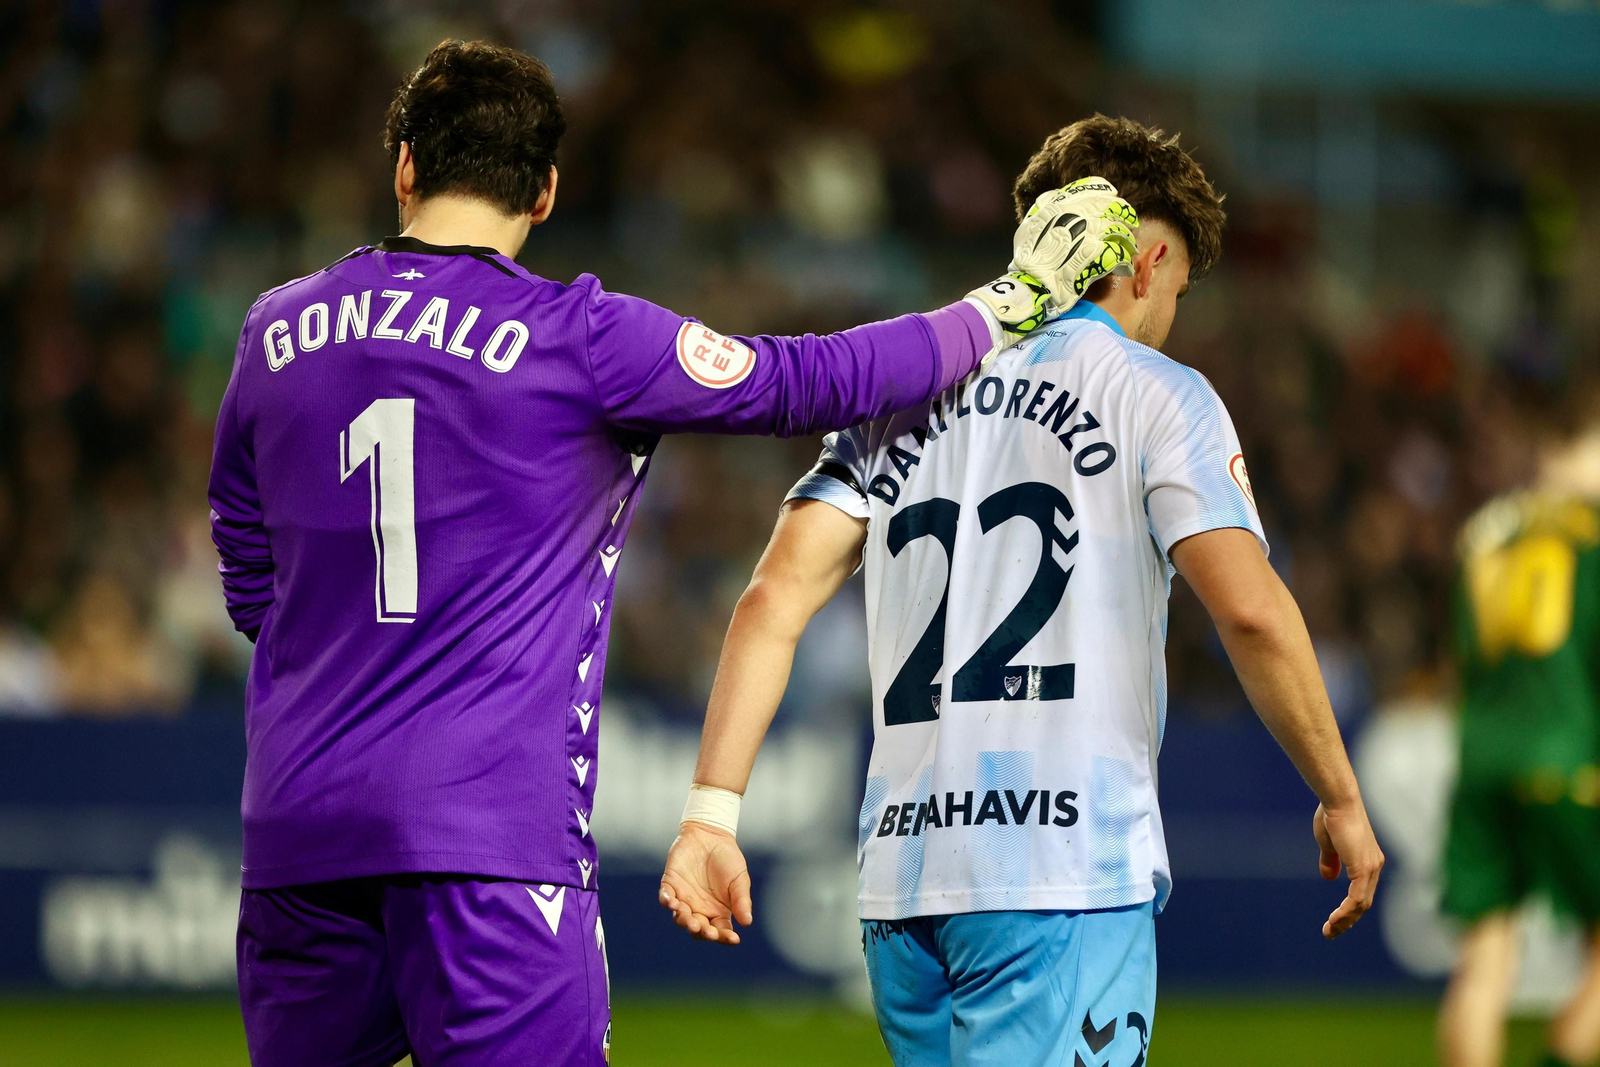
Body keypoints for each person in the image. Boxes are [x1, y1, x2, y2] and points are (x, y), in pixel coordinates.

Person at [207, 39, 1135, 1067]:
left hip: (297, 832)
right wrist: (1003, 303)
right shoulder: (580, 337)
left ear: (405, 169)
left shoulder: (272, 330)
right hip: (490, 843)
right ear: (547, 191)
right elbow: (806, 381)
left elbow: (252, 580)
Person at [659, 115, 1386, 1067]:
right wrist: (1339, 792)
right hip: (1060, 870)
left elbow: (770, 601)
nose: (1169, 310)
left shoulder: (900, 391)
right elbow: (1248, 608)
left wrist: (710, 814)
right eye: (1176, 287)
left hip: (903, 885)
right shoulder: (1158, 392)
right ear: (1148, 259)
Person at [1437, 402, 1600, 1067]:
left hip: (1480, 757)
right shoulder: (1588, 532)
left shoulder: (1485, 532)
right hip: (1563, 752)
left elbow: (1464, 657)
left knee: (1485, 953)